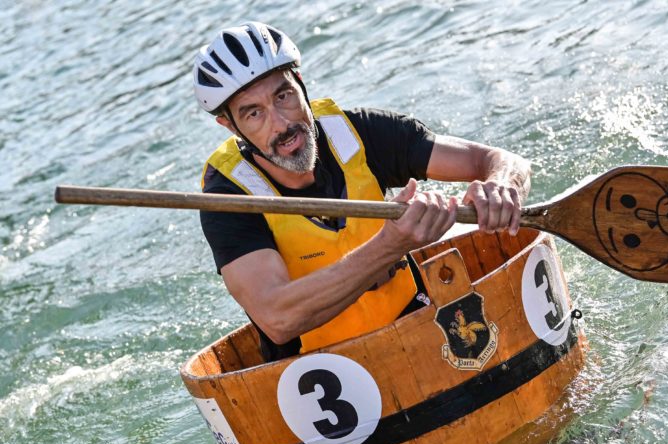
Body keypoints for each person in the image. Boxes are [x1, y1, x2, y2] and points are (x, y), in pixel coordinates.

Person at [193, 22, 531, 362]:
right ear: (230, 125)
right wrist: (390, 246)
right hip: (318, 370)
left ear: (300, 82)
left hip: (416, 328)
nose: (281, 124)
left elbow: (496, 160)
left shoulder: (358, 133)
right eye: (254, 114)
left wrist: (504, 184)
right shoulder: (227, 198)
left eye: (283, 96)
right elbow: (278, 319)